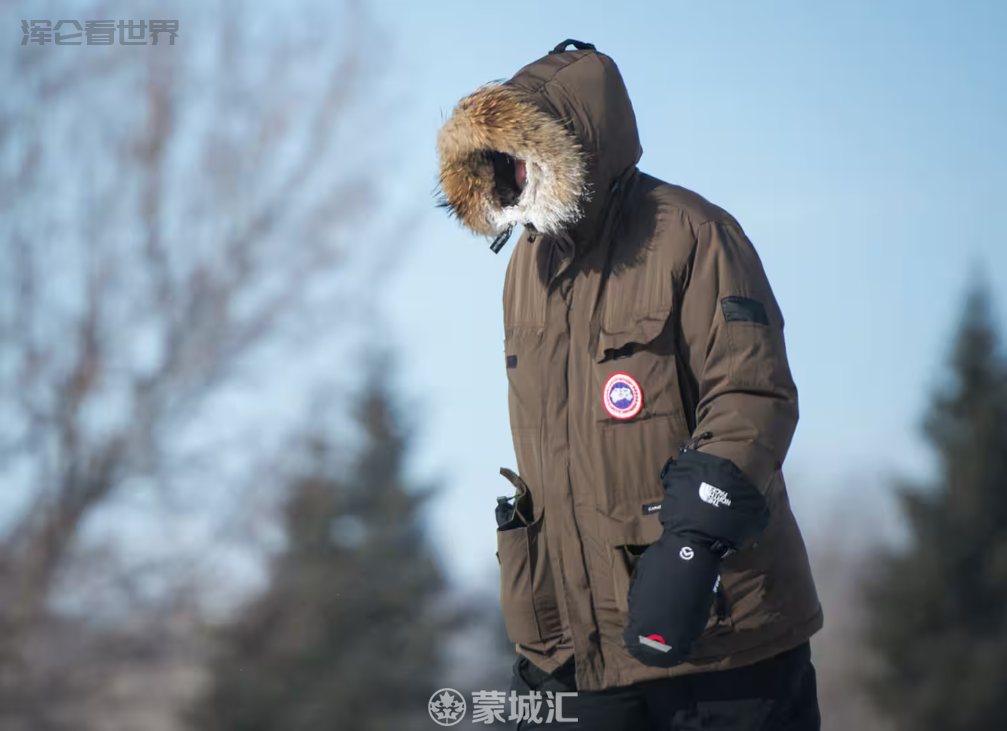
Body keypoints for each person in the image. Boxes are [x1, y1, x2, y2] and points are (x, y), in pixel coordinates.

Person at [436, 39, 823, 730]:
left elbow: (751, 396)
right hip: (578, 653)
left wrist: (691, 545)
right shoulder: (524, 268)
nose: (510, 174)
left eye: (522, 153)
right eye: (498, 160)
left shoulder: (692, 235)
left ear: (575, 146)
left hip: (715, 642)